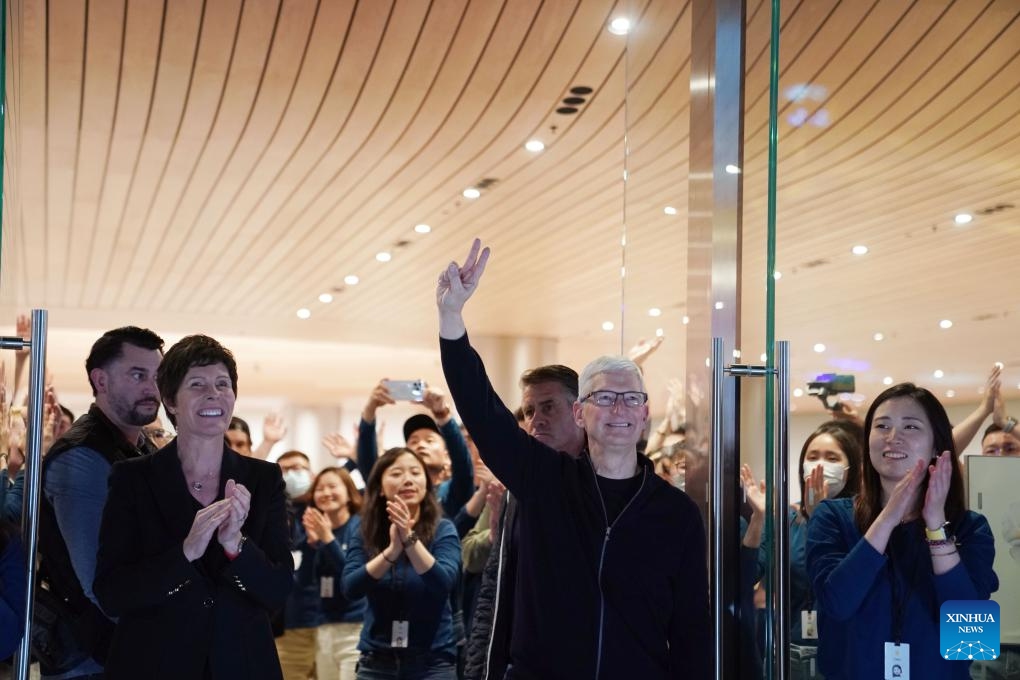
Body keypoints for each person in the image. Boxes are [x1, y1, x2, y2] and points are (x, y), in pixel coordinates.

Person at [437, 239, 710, 679]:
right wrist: (452, 320)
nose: (618, 409)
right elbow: (485, 415)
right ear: (581, 412)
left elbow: (692, 631)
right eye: (604, 397)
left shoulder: (676, 514)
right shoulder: (544, 481)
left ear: (644, 415)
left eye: (630, 399)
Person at [93, 335, 293, 679]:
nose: (213, 393)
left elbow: (277, 590)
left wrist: (236, 546)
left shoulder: (264, 479)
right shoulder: (133, 479)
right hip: (153, 663)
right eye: (197, 384)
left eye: (222, 384)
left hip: (241, 664)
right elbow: (112, 593)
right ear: (170, 400)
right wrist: (184, 553)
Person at [807, 383, 998, 679]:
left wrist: (935, 525)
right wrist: (889, 515)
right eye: (882, 426)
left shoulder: (971, 527)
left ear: (937, 444)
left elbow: (969, 640)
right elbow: (837, 603)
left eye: (910, 426)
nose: (893, 438)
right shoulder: (832, 517)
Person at [38, 325, 164, 679]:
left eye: (158, 376)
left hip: (124, 647)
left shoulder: (139, 448)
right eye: (138, 375)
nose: (152, 388)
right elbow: (99, 585)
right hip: (92, 656)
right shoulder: (82, 457)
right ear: (101, 380)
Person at [462, 363, 586, 680]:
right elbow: (495, 586)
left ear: (580, 412)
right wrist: (479, 668)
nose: (536, 420)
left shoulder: (605, 487)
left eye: (548, 407)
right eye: (529, 411)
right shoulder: (514, 493)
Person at [740, 420, 863, 678]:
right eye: (812, 456)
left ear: (849, 468)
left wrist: (820, 514)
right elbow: (745, 577)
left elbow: (844, 584)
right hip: (787, 653)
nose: (819, 465)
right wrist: (759, 519)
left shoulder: (864, 520)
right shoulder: (788, 518)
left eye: (831, 457)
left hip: (844, 654)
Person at [341, 448, 461, 679]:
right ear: (379, 487)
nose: (408, 479)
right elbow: (350, 588)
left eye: (415, 472)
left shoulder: (443, 529)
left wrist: (408, 539)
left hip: (432, 663)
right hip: (376, 662)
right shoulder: (364, 531)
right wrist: (391, 552)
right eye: (396, 473)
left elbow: (443, 583)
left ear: (426, 483)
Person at [282, 467, 366, 680]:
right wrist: (311, 545)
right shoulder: (314, 529)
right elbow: (303, 583)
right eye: (320, 488)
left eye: (332, 486)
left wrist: (328, 539)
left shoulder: (361, 527)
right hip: (324, 625)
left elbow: (353, 577)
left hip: (356, 626)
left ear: (349, 493)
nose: (326, 492)